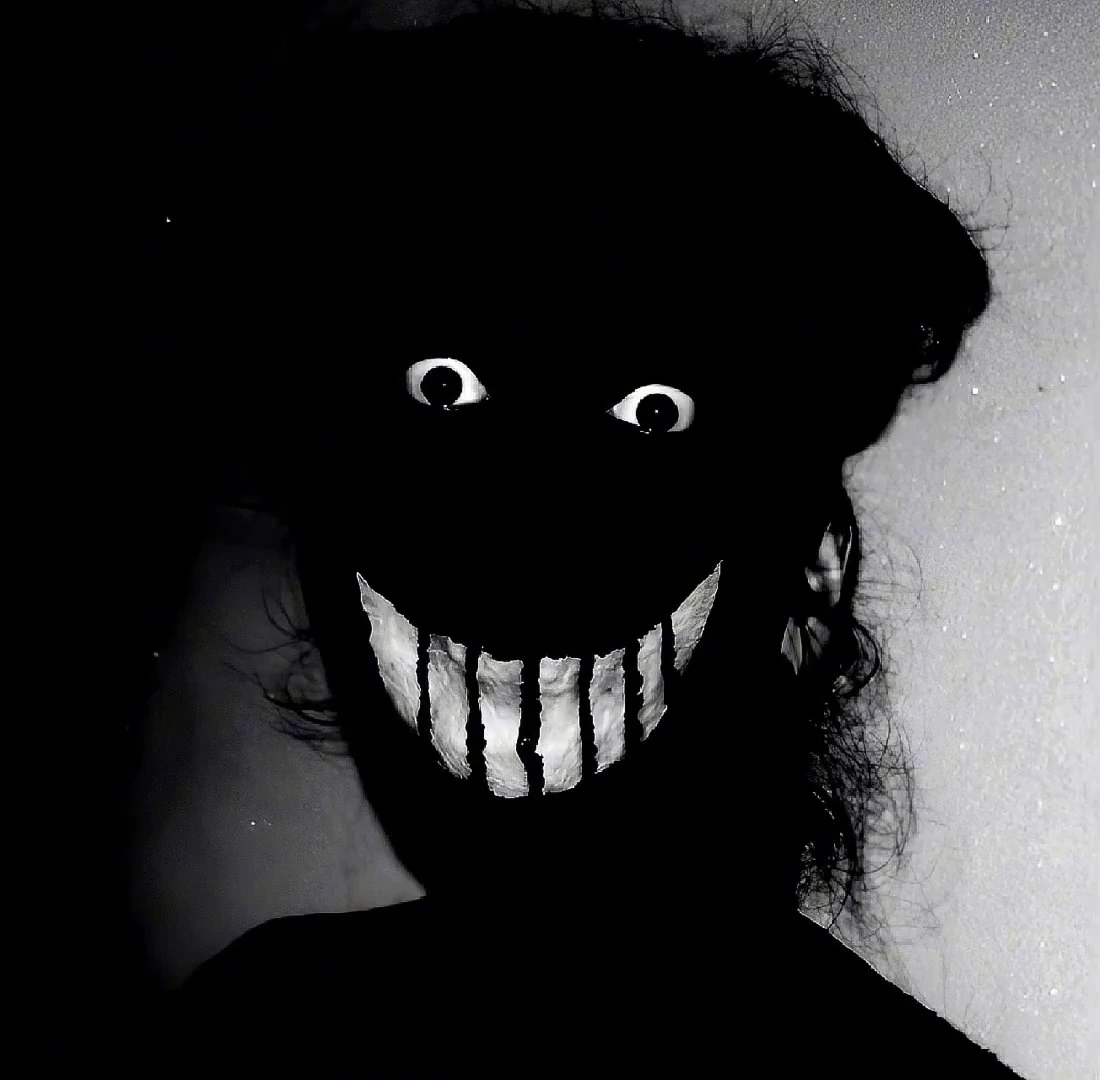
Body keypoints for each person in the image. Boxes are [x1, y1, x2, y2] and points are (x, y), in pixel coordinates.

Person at [127, 3, 1019, 1075]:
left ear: (812, 577)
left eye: (652, 414)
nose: (519, 520)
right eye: (443, 391)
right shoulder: (252, 1028)